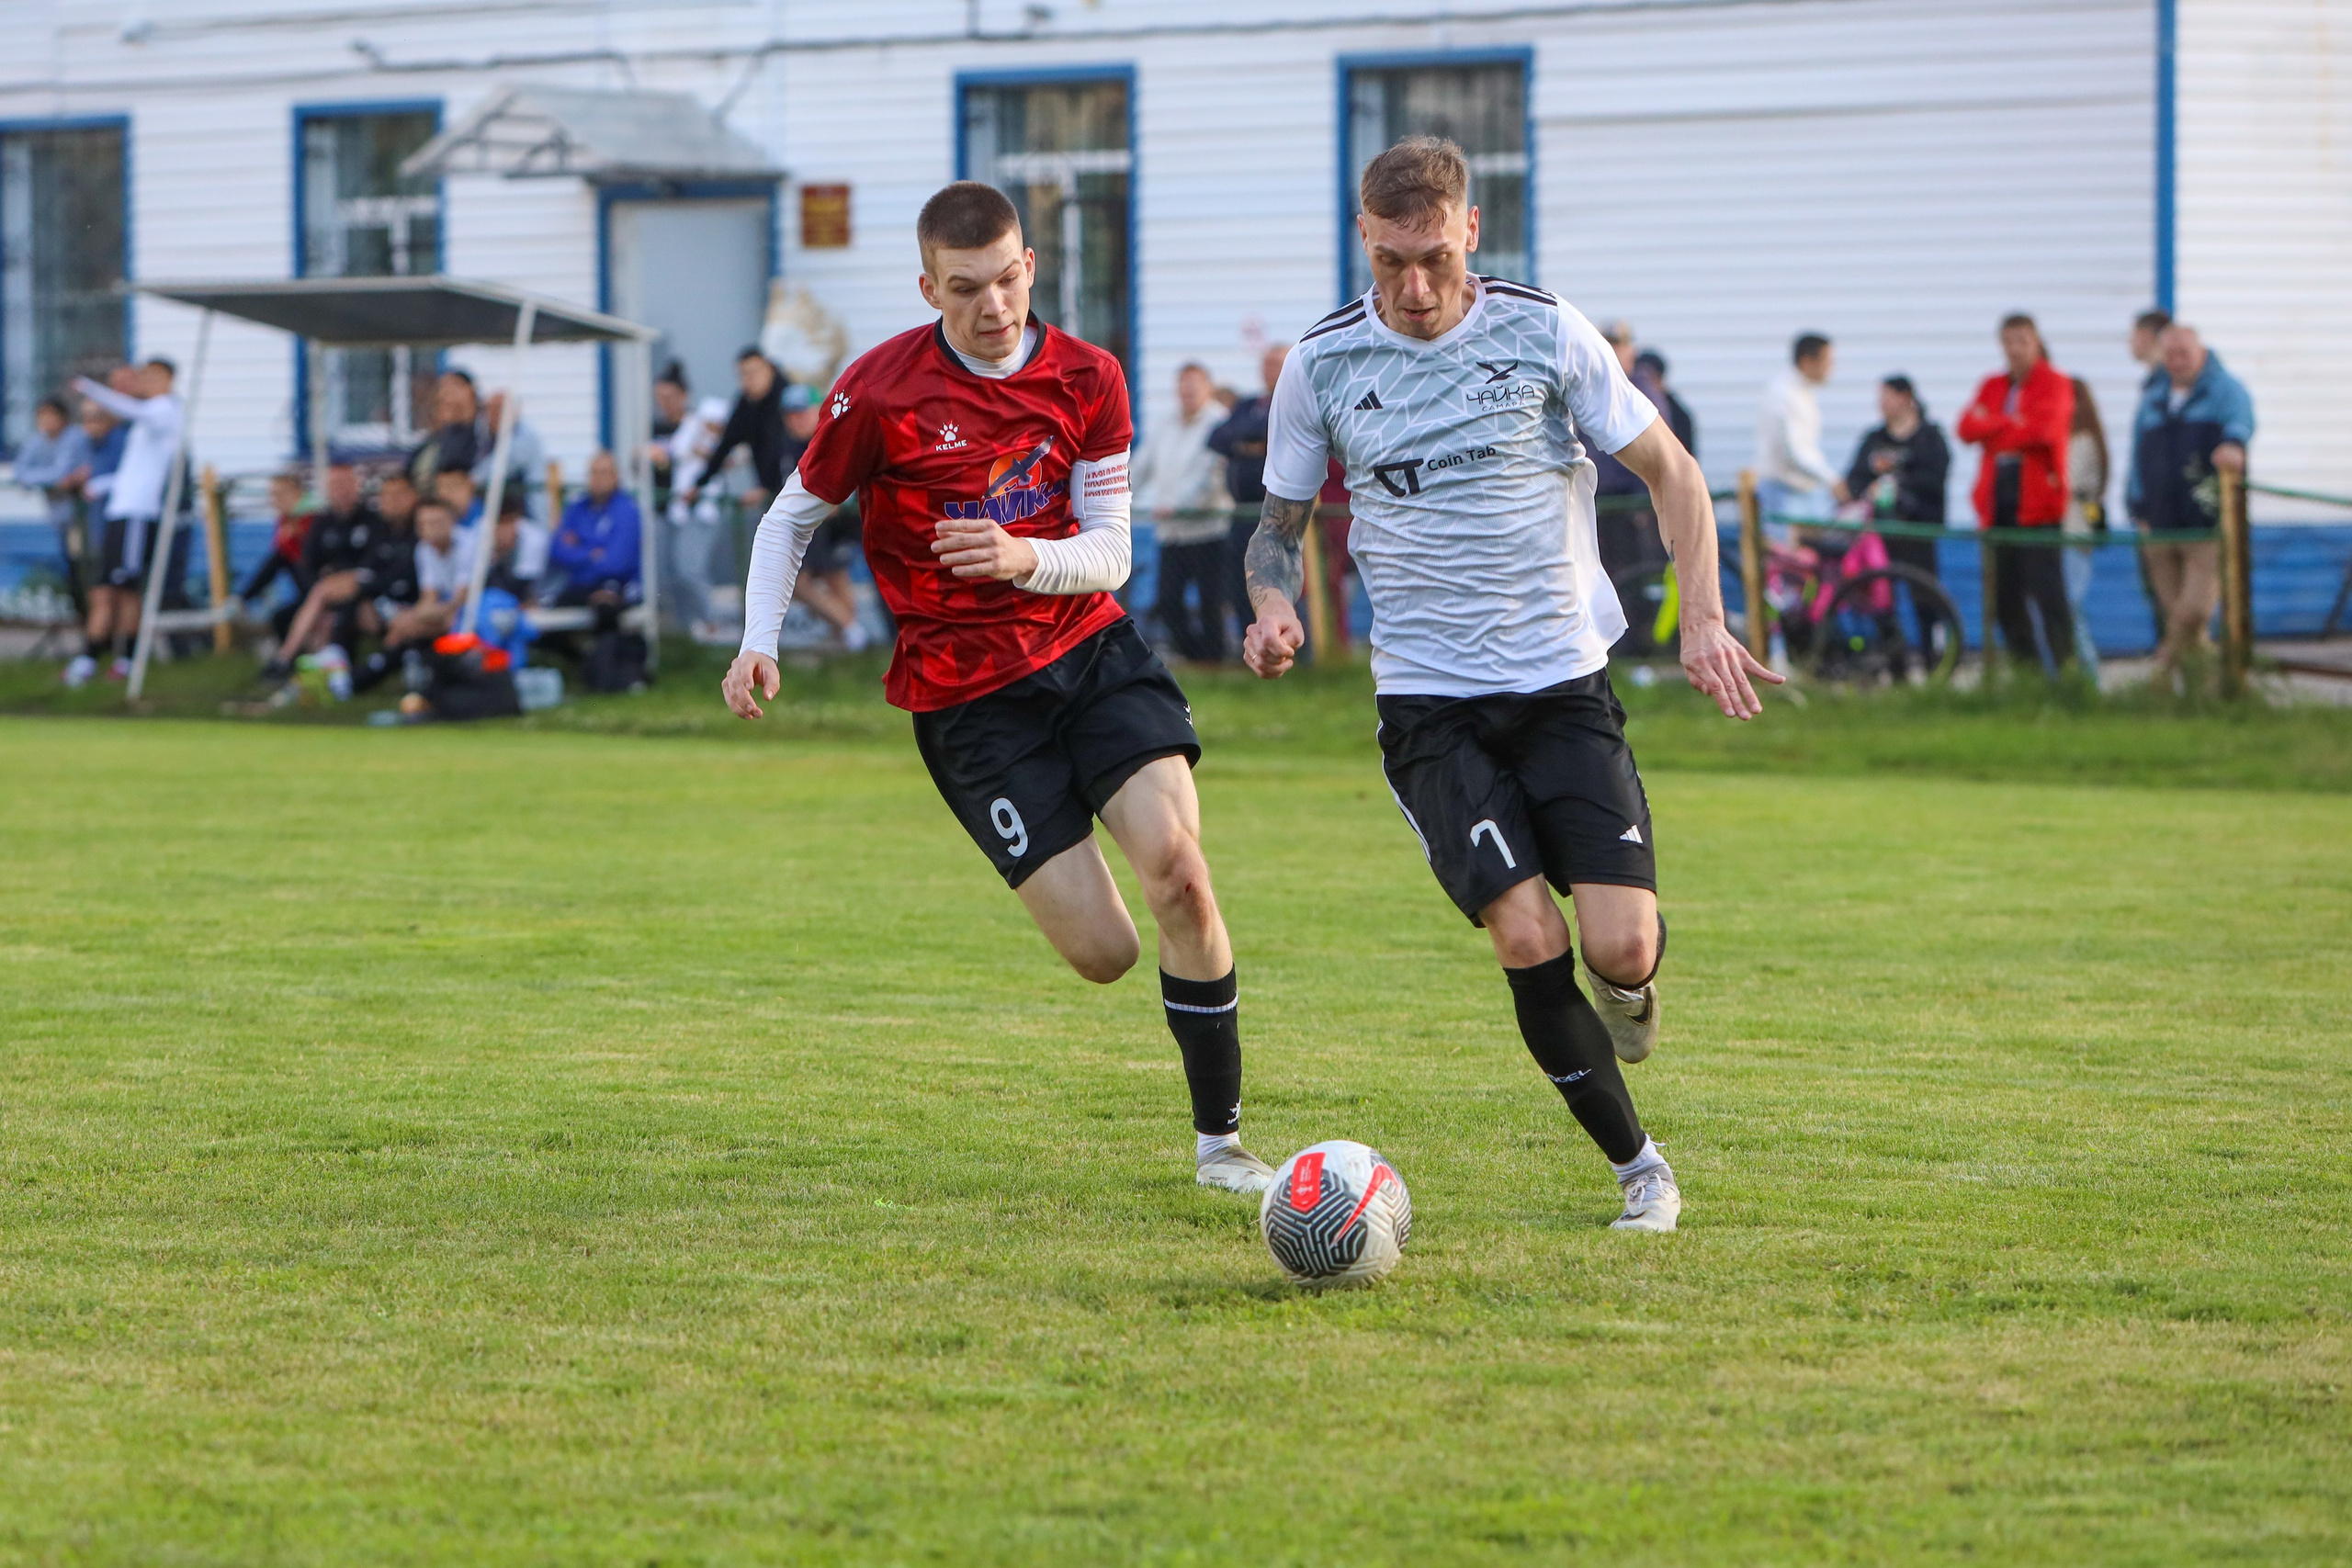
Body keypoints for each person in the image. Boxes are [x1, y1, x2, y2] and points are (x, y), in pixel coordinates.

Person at [1239, 136, 1779, 1234]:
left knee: (1618, 946)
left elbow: (1670, 471)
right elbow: (1274, 529)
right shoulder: (1324, 363)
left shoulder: (1544, 329)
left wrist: (1707, 621)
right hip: (1431, 706)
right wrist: (1273, 604)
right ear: (1364, 242)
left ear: (1470, 231)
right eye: (1392, 262)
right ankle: (1640, 1170)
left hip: (1561, 685)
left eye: (1434, 255)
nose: (1415, 285)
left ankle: (1628, 995)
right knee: (1527, 935)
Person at [722, 179, 1278, 1196]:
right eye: (965, 288)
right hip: (968, 702)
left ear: (1031, 266)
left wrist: (1023, 558)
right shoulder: (878, 391)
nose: (994, 307)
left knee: (1181, 878)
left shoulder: (1088, 376)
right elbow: (788, 519)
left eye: (1008, 279)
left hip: (1091, 654)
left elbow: (1109, 555)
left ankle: (1221, 1148)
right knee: (1107, 952)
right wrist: (759, 637)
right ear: (928, 285)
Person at [2129, 322, 2256, 679]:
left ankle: (2159, 676)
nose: (2177, 361)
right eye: (2169, 354)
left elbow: (2241, 421)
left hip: (2207, 521)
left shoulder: (2223, 390)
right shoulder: (2154, 397)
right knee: (2179, 619)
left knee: (2193, 612)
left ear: (2200, 353)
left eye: (2183, 352)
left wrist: (2233, 444)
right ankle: (2211, 692)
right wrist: (2137, 507)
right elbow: (2137, 455)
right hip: (2159, 523)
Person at [1957, 315, 2076, 671]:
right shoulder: (1993, 385)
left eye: (2022, 341)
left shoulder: (2055, 382)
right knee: (2004, 597)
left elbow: (2043, 431)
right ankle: (2029, 674)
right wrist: (2010, 422)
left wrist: (1992, 427)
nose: (2015, 349)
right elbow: (1965, 428)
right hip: (1998, 501)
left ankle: (2067, 671)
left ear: (2036, 342)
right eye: (2008, 341)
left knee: (2048, 593)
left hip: (2038, 503)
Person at [64, 358, 183, 686]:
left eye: (147, 376)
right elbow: (133, 474)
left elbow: (130, 409)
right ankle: (89, 660)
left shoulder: (165, 410)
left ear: (165, 378)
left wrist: (89, 387)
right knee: (104, 590)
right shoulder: (145, 422)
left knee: (126, 591)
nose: (141, 382)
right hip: (121, 511)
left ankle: (128, 660)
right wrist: (100, 486)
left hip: (138, 515)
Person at [1131, 360, 1232, 662]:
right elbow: (1141, 465)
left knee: (1210, 602)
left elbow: (1210, 475)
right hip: (1171, 533)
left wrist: (1180, 507)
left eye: (1195, 385)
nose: (1188, 391)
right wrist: (1116, 495)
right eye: (1183, 385)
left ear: (1208, 388)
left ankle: (1215, 661)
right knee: (1168, 601)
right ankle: (1197, 658)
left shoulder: (1219, 422)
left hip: (1208, 529)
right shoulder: (1166, 424)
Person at [1207, 344, 1289, 650]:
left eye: (1278, 365)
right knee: (1241, 581)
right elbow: (1218, 437)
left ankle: (1286, 645)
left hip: (1279, 512)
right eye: (1267, 365)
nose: (1271, 372)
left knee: (1277, 581)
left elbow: (1278, 433)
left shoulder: (1297, 401)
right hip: (1241, 513)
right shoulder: (1249, 404)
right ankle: (1250, 645)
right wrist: (1253, 443)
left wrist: (1253, 441)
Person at [778, 381, 870, 651]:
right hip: (813, 522)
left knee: (834, 576)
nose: (795, 420)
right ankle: (850, 630)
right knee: (800, 582)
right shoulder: (788, 446)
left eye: (801, 413)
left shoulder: (831, 437)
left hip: (838, 521)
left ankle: (849, 634)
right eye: (790, 415)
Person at [351, 498, 471, 694]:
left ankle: (366, 676)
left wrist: (416, 616)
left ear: (452, 522)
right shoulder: (424, 549)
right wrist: (415, 616)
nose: (428, 528)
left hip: (475, 610)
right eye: (423, 523)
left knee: (406, 626)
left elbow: (462, 599)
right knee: (404, 624)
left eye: (435, 522)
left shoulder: (468, 545)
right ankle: (382, 675)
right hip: (446, 613)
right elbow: (429, 597)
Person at [1843, 375, 1951, 591]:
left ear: (1905, 398)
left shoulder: (1930, 438)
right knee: (1880, 594)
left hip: (1919, 530)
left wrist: (1897, 485)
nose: (1881, 403)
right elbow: (1855, 478)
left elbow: (1936, 479)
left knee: (1925, 593)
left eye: (1887, 397)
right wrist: (1868, 491)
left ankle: (1931, 625)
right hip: (1879, 532)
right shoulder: (1874, 439)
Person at [14, 397, 96, 625]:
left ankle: (95, 625)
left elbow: (62, 473)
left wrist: (42, 479)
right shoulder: (36, 441)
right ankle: (85, 623)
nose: (46, 421)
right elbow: (21, 472)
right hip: (58, 517)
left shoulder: (75, 438)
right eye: (42, 416)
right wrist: (50, 481)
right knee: (70, 569)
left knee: (85, 569)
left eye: (51, 416)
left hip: (82, 518)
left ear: (64, 418)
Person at [1757, 334, 1847, 534]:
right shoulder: (1783, 394)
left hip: (1802, 490)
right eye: (1827, 361)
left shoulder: (1803, 391)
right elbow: (1793, 450)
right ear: (1807, 361)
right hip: (1783, 489)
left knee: (1808, 557)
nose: (1831, 368)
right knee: (1787, 560)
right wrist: (1831, 479)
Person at [548, 451, 643, 605]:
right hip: (579, 586)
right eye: (593, 473)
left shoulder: (626, 511)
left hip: (616, 585)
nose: (598, 478)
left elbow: (616, 564)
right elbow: (557, 550)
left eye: (604, 473)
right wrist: (593, 553)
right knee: (550, 606)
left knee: (605, 601)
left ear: (616, 476)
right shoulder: (576, 508)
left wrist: (579, 546)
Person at [2063, 378, 2111, 677]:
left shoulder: (2081, 441)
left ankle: (2088, 674)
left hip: (2073, 531)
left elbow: (2068, 482)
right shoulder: (2085, 439)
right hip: (2070, 530)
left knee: (2071, 606)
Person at [406, 370, 481, 492]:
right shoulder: (433, 440)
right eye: (441, 388)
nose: (444, 394)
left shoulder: (482, 433)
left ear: (470, 391)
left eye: (452, 387)